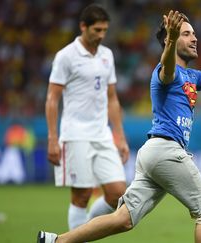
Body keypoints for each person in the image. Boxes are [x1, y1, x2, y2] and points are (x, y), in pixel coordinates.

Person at [38, 10, 201, 243]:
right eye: (186, 34)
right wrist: (171, 39)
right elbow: (167, 64)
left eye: (194, 34)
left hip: (153, 153)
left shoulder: (192, 77)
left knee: (124, 219)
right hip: (166, 151)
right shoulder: (165, 73)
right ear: (169, 40)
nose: (194, 38)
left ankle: (56, 241)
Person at [44, 3, 129, 231]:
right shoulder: (66, 56)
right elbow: (52, 98)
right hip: (75, 135)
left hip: (102, 134)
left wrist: (119, 136)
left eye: (104, 30)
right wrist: (53, 138)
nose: (101, 35)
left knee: (118, 194)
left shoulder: (107, 55)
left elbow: (112, 98)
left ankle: (85, 229)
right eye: (97, 30)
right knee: (81, 195)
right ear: (83, 26)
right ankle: (77, 236)